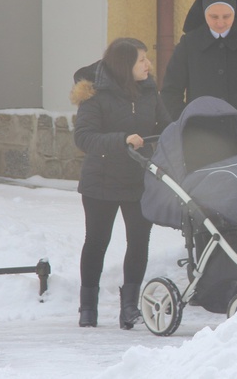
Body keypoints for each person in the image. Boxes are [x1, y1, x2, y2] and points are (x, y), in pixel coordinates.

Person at [71, 37, 171, 328]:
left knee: (139, 242)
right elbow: (84, 137)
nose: (148, 64)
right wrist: (122, 139)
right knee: (97, 242)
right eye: (142, 59)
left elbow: (166, 126)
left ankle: (130, 307)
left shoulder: (150, 91)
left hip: (138, 179)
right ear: (124, 65)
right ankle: (87, 307)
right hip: (100, 180)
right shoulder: (95, 94)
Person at [160, 0, 237, 167]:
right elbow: (170, 91)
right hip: (200, 141)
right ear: (204, 14)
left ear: (234, 13)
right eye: (214, 17)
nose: (220, 22)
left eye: (226, 16)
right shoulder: (189, 43)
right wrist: (188, 123)